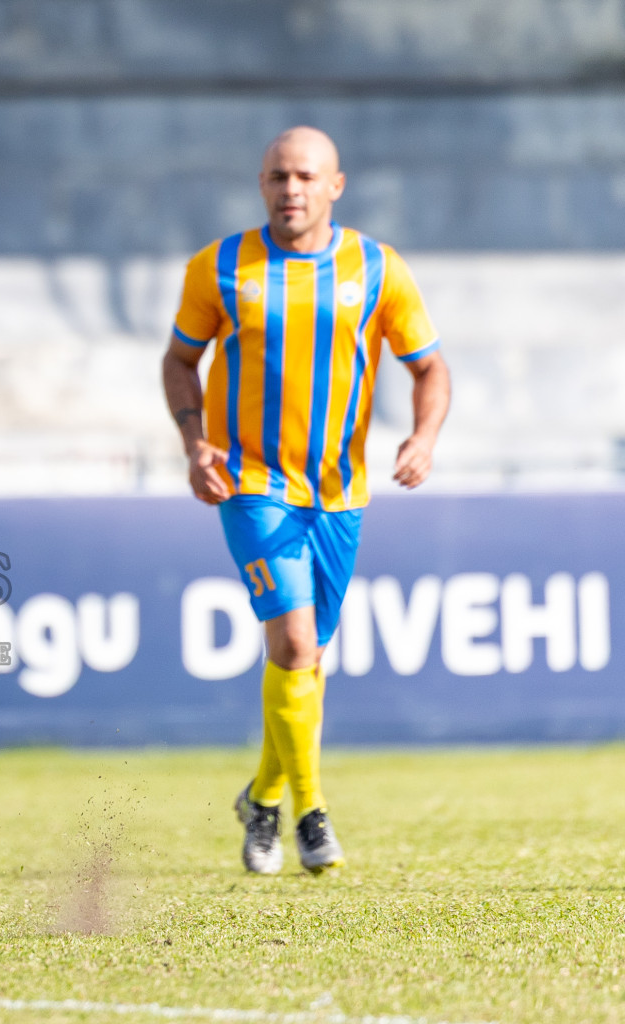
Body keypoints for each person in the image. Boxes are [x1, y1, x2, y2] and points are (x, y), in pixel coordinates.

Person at [161, 127, 451, 875]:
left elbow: (430, 368)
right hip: (251, 482)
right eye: (277, 176)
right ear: (262, 184)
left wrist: (423, 438)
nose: (290, 189)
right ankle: (311, 814)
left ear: (335, 186)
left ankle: (261, 798)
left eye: (305, 176)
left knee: (307, 659)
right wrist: (195, 444)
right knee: (292, 644)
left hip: (340, 494)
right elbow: (180, 360)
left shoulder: (378, 268)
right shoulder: (219, 267)